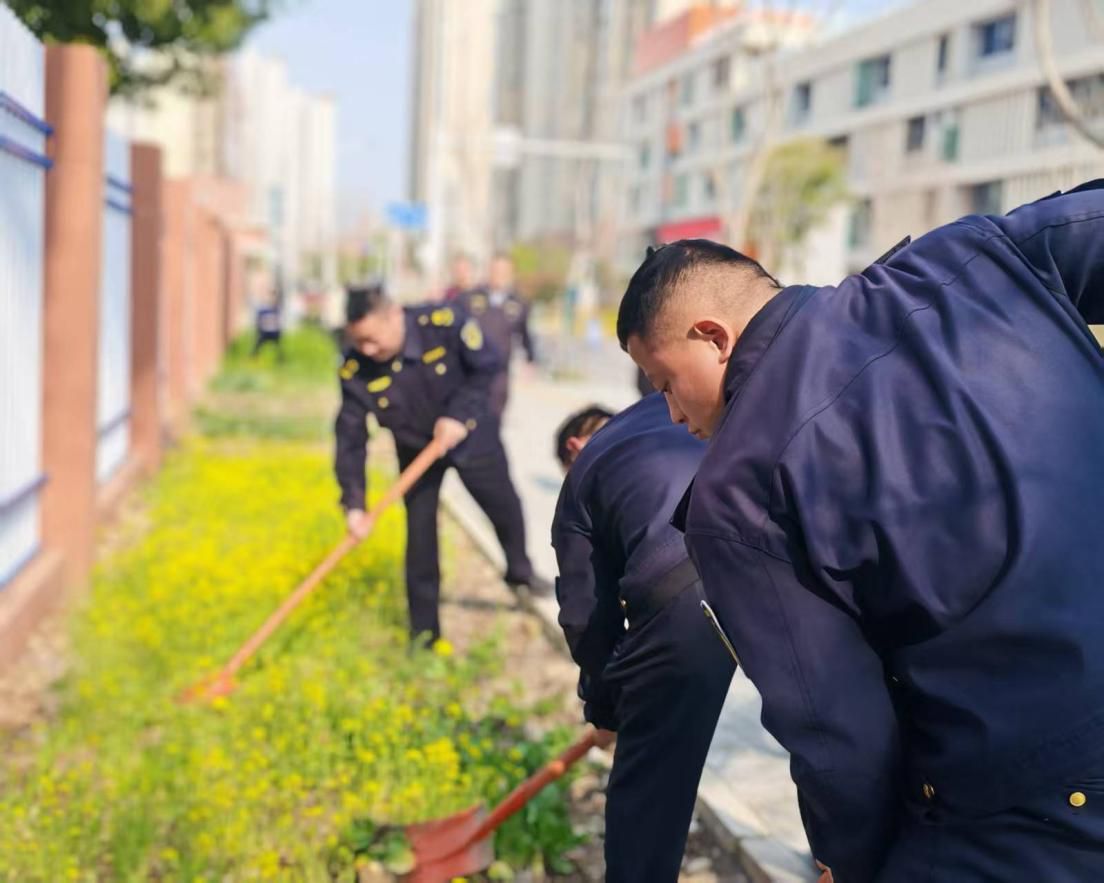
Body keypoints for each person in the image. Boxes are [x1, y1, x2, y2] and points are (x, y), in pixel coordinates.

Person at [617, 181, 1104, 882]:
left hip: (1025, 801)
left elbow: (839, 736)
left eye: (663, 382)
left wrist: (847, 860)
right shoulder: (971, 257)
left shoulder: (737, 493)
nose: (669, 413)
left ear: (713, 337)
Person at [551, 398, 735, 883]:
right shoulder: (669, 406)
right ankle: (840, 856)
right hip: (781, 543)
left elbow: (586, 619)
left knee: (651, 785)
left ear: (574, 447)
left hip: (687, 585)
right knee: (827, 730)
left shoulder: (584, 474)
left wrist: (607, 711)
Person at [334, 284, 551, 644]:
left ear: (394, 316)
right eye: (359, 342)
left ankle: (520, 572)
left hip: (471, 434)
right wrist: (354, 503)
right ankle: (425, 635)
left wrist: (458, 415)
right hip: (416, 450)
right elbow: (350, 438)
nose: (367, 350)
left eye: (372, 339)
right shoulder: (355, 368)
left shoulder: (443, 323)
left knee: (504, 508)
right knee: (420, 539)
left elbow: (487, 366)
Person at [454, 254, 536, 417]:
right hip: (470, 370)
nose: (499, 276)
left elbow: (525, 334)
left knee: (494, 416)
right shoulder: (469, 299)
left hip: (499, 374)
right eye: (496, 271)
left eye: (504, 272)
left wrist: (530, 360)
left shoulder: (519, 304)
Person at [251, 293, 283, 360]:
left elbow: (278, 322)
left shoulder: (276, 310)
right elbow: (258, 321)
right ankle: (254, 356)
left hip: (274, 333)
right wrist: (259, 329)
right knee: (258, 345)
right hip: (264, 333)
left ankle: (280, 358)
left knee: (278, 347)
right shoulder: (263, 310)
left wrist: (279, 332)